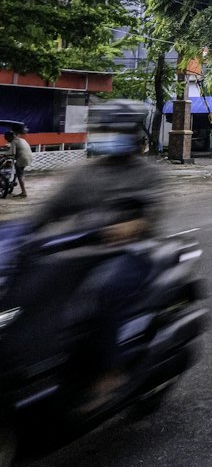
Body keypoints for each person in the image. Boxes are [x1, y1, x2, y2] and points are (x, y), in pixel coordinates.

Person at [34, 100, 164, 413]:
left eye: (112, 130)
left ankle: (110, 372)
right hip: (81, 253)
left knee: (103, 292)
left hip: (131, 254)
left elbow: (152, 212)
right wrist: (25, 230)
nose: (106, 135)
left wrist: (132, 225)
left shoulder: (146, 174)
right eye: (102, 129)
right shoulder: (85, 175)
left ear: (131, 134)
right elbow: (50, 209)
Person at [4, 129, 31, 198]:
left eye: (7, 138)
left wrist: (3, 154)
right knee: (20, 173)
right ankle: (21, 189)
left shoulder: (14, 141)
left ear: (10, 137)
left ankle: (24, 192)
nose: (7, 140)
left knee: (20, 175)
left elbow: (11, 153)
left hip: (22, 159)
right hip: (28, 158)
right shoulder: (21, 139)